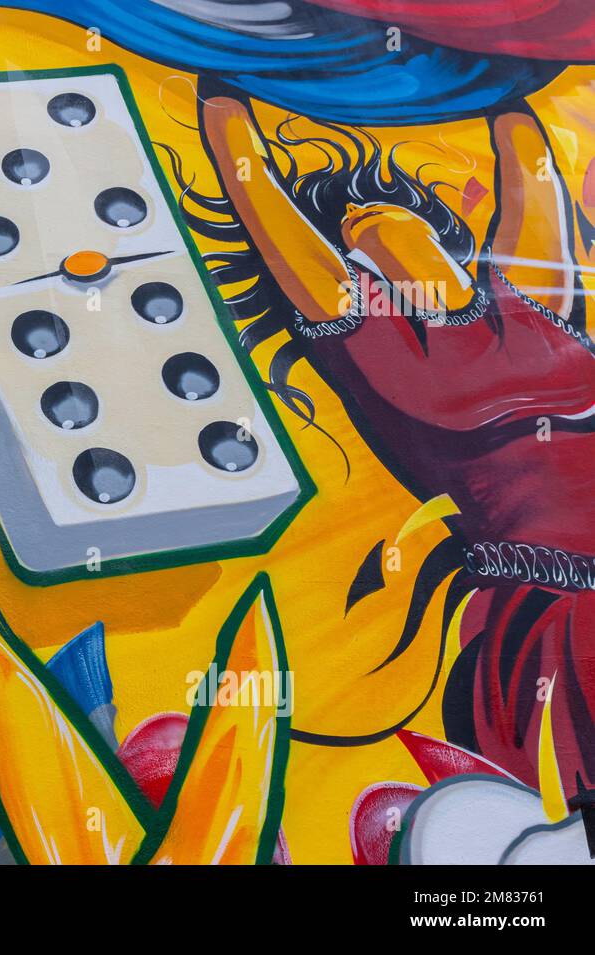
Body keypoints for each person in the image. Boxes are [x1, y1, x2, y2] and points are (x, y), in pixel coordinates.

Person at [186, 78, 595, 802]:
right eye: (356, 240)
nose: (377, 229)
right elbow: (244, 171)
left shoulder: (529, 298)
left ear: (445, 235)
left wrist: (480, 51)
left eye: (385, 213)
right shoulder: (361, 333)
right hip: (559, 612)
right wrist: (221, 68)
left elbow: (521, 137)